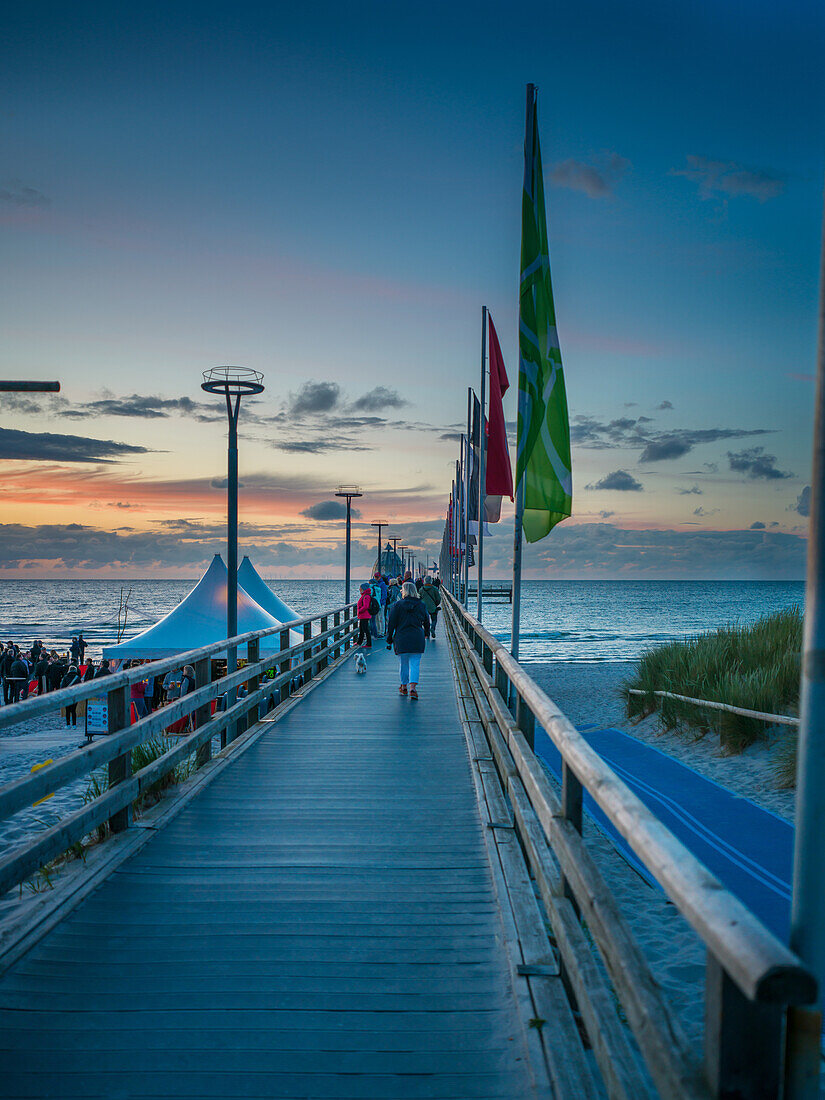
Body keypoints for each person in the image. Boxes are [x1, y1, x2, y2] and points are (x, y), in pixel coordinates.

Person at [386, 581, 430, 700]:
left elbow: (391, 623)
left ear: (403, 591)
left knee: (403, 663)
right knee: (415, 663)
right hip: (417, 637)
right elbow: (426, 621)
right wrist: (426, 633)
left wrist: (389, 638)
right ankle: (413, 689)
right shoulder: (421, 605)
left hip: (402, 637)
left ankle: (404, 686)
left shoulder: (397, 605)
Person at [420, 575, 442, 640]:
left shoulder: (421, 589)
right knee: (434, 619)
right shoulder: (435, 589)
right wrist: (435, 604)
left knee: (425, 621)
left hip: (424, 607)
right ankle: (432, 628)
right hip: (433, 607)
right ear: (431, 581)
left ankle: (426, 633)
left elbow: (419, 598)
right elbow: (438, 598)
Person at [356, 582, 373, 648]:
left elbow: (366, 606)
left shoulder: (366, 596)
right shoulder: (364, 595)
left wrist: (359, 610)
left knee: (365, 629)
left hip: (364, 615)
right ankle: (359, 642)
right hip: (363, 615)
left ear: (363, 589)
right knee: (361, 629)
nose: (359, 589)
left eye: (360, 588)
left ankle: (369, 644)